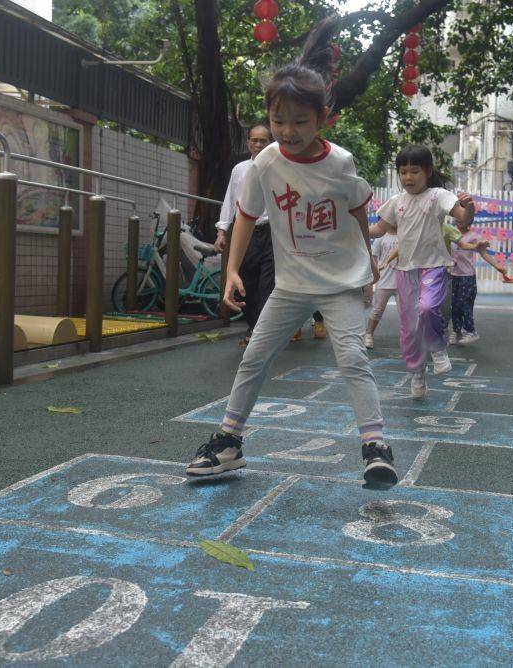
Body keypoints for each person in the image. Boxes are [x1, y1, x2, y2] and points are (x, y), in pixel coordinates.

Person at [186, 19, 395, 486]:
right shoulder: (265, 162)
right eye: (279, 120)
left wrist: (370, 257)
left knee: (352, 359)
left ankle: (375, 446)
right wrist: (233, 268)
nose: (287, 130)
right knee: (255, 355)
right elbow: (245, 215)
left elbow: (359, 210)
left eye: (300, 121)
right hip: (292, 283)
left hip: (341, 281)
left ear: (324, 118)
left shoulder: (340, 161)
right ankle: (228, 442)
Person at [369, 145, 475, 399]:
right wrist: (354, 225)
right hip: (405, 271)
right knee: (409, 328)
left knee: (428, 308)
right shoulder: (396, 202)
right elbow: (378, 230)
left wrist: (469, 206)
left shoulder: (438, 195)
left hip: (433, 267)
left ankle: (438, 349)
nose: (408, 177)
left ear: (427, 172)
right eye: (403, 172)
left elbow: (463, 219)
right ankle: (417, 375)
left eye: (414, 171)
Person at [215, 123, 274, 346]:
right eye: (254, 140)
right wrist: (222, 231)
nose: (258, 144)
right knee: (245, 283)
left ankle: (261, 334)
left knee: (267, 284)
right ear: (248, 142)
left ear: (271, 143)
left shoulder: (278, 166)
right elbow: (230, 201)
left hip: (272, 233)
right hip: (246, 233)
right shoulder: (239, 169)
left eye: (263, 140)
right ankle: (253, 326)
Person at [446, 219, 508, 344]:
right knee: (454, 306)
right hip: (453, 276)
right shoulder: (450, 233)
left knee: (465, 305)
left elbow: (483, 253)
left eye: (464, 216)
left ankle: (471, 331)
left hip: (467, 276)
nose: (459, 219)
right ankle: (457, 332)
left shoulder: (473, 236)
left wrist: (497, 266)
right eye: (457, 216)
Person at [364, 231, 398, 349]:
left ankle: (409, 338)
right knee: (377, 309)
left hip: (402, 283)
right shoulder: (380, 237)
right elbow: (373, 258)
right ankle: (368, 334)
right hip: (384, 281)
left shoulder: (404, 233)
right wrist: (372, 276)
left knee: (406, 312)